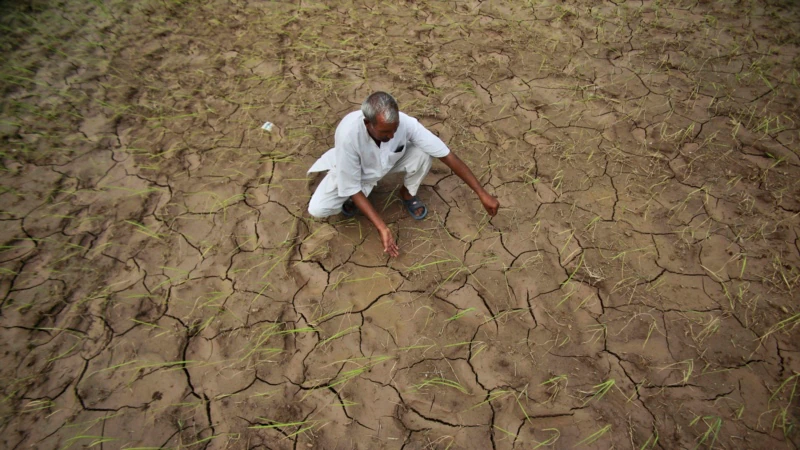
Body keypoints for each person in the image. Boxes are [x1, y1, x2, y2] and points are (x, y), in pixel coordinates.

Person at [307, 92, 499, 257]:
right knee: (318, 209)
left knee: (424, 153)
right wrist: (382, 227)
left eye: (395, 129)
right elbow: (352, 187)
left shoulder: (405, 123)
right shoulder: (348, 136)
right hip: (357, 171)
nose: (392, 136)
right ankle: (354, 198)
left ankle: (407, 194)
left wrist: (481, 193)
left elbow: (446, 155)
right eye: (385, 132)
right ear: (368, 123)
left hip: (387, 163)